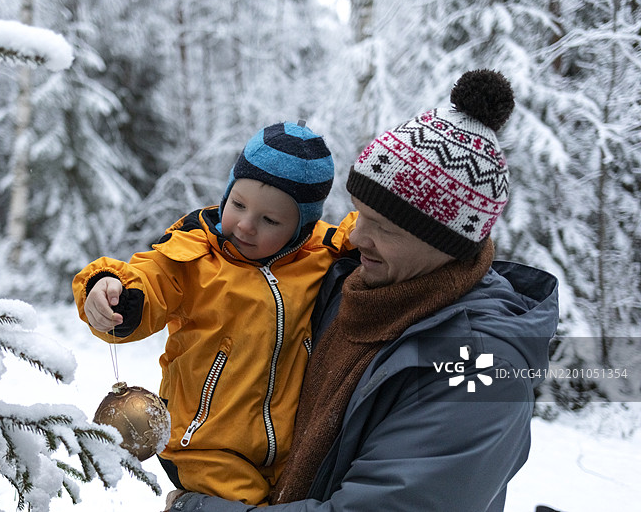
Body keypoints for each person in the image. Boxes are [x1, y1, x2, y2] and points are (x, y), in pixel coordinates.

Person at [167, 70, 560, 511]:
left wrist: (197, 508)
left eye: (382, 227)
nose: (354, 238)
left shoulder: (480, 370)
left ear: (444, 243)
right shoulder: (352, 285)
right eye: (359, 214)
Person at [72, 121, 356, 505]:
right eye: (238, 204)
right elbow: (151, 277)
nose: (245, 224)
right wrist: (110, 290)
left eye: (270, 220)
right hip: (206, 444)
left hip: (291, 445)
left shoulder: (321, 254)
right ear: (227, 191)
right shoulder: (196, 256)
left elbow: (369, 232)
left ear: (302, 226)